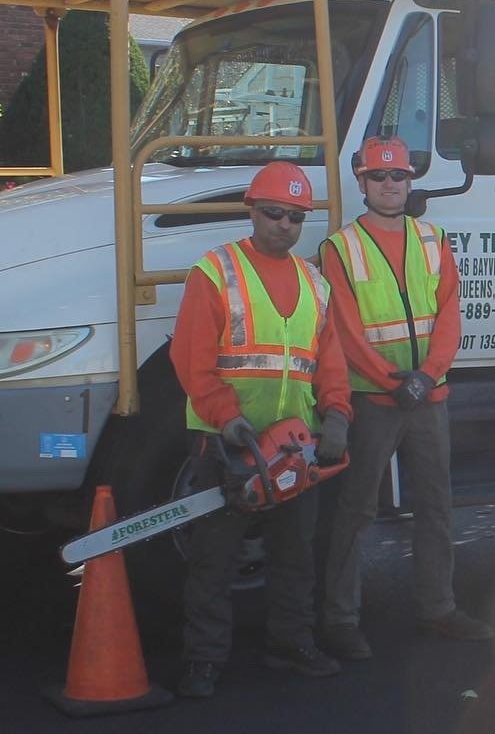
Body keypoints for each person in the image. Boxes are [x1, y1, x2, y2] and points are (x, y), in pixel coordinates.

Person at [170, 161, 353, 698]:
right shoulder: (216, 271)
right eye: (274, 213)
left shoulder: (316, 284)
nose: (284, 225)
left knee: (296, 553)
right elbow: (190, 358)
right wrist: (228, 419)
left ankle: (290, 643)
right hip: (225, 444)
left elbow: (330, 363)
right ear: (252, 211)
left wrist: (338, 415)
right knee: (215, 559)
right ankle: (203, 659)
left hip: (294, 445)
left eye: (296, 217)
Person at [319, 135, 493, 658]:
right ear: (363, 183)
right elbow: (343, 330)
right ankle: (339, 620)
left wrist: (429, 373)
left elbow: (449, 314)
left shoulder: (433, 239)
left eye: (398, 176)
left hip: (428, 396)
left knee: (436, 506)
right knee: (355, 511)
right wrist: (396, 379)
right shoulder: (339, 248)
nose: (390, 184)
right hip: (376, 399)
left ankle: (438, 608)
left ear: (411, 182)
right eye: (379, 176)